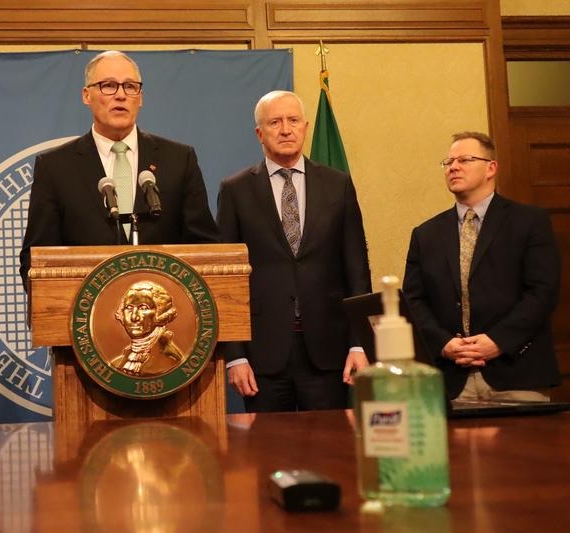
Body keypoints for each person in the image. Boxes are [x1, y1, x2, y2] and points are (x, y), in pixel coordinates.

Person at [216, 90, 372, 412]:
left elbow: (357, 268)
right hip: (263, 354)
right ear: (260, 133)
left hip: (329, 350)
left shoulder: (337, 184)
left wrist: (359, 343)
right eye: (275, 122)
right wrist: (235, 355)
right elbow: (226, 278)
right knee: (269, 456)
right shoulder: (235, 190)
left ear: (305, 126)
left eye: (293, 120)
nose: (285, 129)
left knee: (330, 453)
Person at [19, 50, 218, 288]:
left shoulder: (178, 158)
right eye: (108, 86)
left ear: (140, 97)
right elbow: (37, 259)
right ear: (86, 95)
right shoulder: (55, 166)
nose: (121, 95)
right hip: (84, 315)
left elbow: (205, 247)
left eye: (130, 87)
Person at [403, 131, 560, 401]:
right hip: (450, 380)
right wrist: (444, 344)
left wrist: (498, 341)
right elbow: (414, 301)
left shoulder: (530, 222)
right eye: (448, 162)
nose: (453, 167)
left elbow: (543, 292)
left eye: (464, 160)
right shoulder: (425, 234)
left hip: (516, 373)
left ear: (491, 168)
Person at [111, 281, 184, 376]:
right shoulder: (117, 363)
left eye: (143, 308)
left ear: (161, 314)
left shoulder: (172, 361)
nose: (134, 317)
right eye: (129, 307)